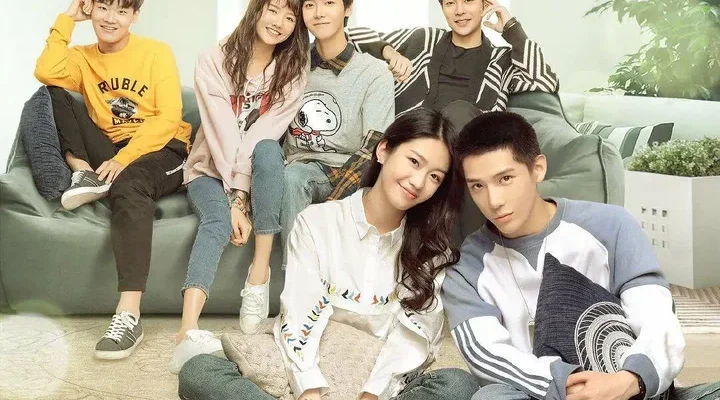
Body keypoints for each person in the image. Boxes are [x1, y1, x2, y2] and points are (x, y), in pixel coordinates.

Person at [178, 109, 479, 400]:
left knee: (457, 385)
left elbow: (413, 340)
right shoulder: (316, 222)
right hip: (308, 365)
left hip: (378, 380)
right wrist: (309, 389)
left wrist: (371, 395)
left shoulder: (432, 252)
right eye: (413, 161)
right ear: (384, 150)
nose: (418, 181)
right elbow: (300, 313)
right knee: (200, 371)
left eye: (434, 177)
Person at [442, 111, 720, 400]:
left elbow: (657, 318)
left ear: (538, 169)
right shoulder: (466, 267)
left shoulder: (612, 226)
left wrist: (629, 380)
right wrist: (572, 386)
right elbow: (486, 354)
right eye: (478, 186)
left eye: (505, 178)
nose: (494, 201)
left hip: (630, 388)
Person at [35, 0, 191, 360]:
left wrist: (123, 160)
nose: (110, 18)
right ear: (91, 9)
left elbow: (169, 117)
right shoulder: (81, 58)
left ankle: (129, 315)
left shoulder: (156, 52)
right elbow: (45, 70)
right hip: (110, 148)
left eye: (121, 11)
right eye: (103, 7)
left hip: (164, 148)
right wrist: (68, 18)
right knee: (53, 92)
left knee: (130, 184)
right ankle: (83, 171)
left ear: (135, 16)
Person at [238, 0, 395, 334]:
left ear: (348, 9)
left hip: (346, 173)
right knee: (291, 175)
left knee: (296, 178)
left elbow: (375, 148)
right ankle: (295, 296)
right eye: (310, 4)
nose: (319, 12)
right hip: (293, 170)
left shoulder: (374, 73)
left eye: (329, 3)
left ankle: (307, 298)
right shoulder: (289, 66)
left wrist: (334, 204)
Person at [171, 0, 310, 374]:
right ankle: (187, 331)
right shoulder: (213, 60)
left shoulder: (293, 71)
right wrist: (233, 200)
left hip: (254, 171)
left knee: (267, 150)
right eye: (273, 10)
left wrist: (241, 194)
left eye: (290, 17)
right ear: (256, 9)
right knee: (216, 221)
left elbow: (265, 134)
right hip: (207, 168)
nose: (279, 22)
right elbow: (221, 133)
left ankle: (258, 276)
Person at [347, 0, 559, 117]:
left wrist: (512, 29)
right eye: (450, 3)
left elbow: (545, 81)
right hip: (409, 145)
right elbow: (350, 36)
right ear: (442, 8)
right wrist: (389, 52)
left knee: (459, 113)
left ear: (485, 5)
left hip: (465, 152)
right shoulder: (424, 40)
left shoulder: (501, 60)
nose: (459, 11)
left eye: (468, 1)